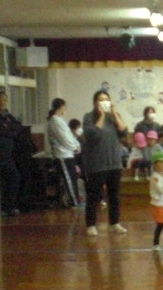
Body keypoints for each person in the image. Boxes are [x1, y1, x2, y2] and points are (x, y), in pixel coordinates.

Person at [82, 89, 128, 236]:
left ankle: (114, 223)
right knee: (94, 196)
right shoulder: (88, 117)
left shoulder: (113, 117)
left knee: (114, 196)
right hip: (96, 164)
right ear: (95, 102)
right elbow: (93, 134)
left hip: (114, 163)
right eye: (101, 100)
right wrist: (101, 116)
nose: (104, 102)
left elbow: (124, 132)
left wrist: (114, 115)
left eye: (106, 99)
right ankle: (91, 225)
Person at [47, 98, 83, 206]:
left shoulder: (60, 120)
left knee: (72, 178)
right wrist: (74, 147)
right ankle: (74, 202)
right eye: (64, 106)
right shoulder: (55, 120)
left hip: (68, 154)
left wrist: (77, 144)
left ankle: (75, 201)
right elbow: (64, 139)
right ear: (61, 107)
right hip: (62, 155)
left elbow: (69, 136)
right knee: (69, 180)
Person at [0, 91, 22, 217]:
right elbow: (1, 130)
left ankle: (9, 206)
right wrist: (9, 131)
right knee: (5, 180)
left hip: (9, 153)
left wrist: (9, 131)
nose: (2, 102)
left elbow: (18, 127)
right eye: (0, 99)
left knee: (13, 178)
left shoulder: (9, 116)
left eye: (4, 99)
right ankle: (3, 208)